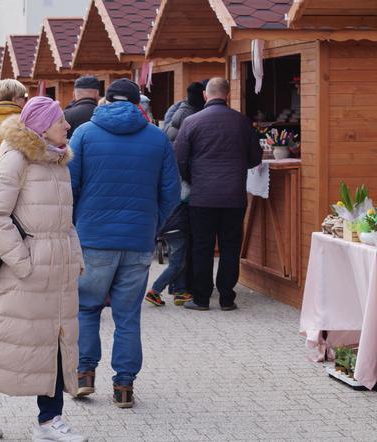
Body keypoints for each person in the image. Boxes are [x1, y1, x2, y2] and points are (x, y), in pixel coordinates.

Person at [0, 96, 86, 442]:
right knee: (7, 343)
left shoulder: (58, 162)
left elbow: (65, 223)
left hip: (56, 273)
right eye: (61, 121)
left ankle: (49, 421)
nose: (67, 126)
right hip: (23, 274)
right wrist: (22, 260)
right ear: (43, 126)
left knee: (54, 343)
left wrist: (75, 257)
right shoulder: (16, 160)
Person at [69, 78, 180, 408]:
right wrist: (152, 224)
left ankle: (84, 374)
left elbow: (69, 187)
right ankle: (124, 387)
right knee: (128, 316)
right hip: (138, 240)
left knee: (87, 308)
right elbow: (172, 193)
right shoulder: (157, 139)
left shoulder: (85, 134)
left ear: (106, 100)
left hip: (93, 239)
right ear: (137, 103)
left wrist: (77, 224)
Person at [174, 77, 262, 311]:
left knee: (202, 246)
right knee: (230, 246)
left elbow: (179, 159)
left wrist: (193, 178)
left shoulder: (192, 122)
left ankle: (201, 298)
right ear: (228, 94)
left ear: (205, 95)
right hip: (234, 196)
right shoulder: (242, 122)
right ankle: (226, 298)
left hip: (202, 196)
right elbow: (255, 158)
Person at [145, 198, 190, 307]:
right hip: (176, 228)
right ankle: (155, 291)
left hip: (167, 227)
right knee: (176, 264)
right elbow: (185, 196)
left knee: (179, 262)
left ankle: (180, 292)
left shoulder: (167, 188)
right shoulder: (181, 188)